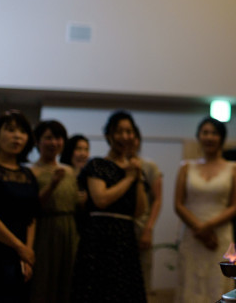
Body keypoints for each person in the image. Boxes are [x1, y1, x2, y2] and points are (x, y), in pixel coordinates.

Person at [71, 110, 148, 302]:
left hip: (125, 237)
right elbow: (101, 199)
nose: (124, 136)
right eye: (119, 131)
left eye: (129, 131)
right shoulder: (97, 164)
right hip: (99, 236)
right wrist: (129, 178)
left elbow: (139, 210)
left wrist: (137, 178)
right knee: (97, 290)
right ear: (109, 135)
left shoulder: (135, 168)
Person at [174, 117, 236, 302]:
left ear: (221, 138)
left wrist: (208, 227)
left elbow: (235, 206)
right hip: (192, 234)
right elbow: (178, 204)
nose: (209, 137)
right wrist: (200, 229)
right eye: (205, 132)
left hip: (219, 235)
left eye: (214, 133)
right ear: (198, 136)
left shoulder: (234, 168)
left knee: (217, 281)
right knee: (191, 282)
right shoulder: (186, 167)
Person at [0, 110, 38, 303]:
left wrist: (27, 254)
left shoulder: (28, 174)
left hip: (20, 254)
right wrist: (19, 246)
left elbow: (32, 216)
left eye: (23, 131)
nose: (17, 136)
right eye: (10, 130)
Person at [29, 120, 80, 303]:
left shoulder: (70, 171)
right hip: (44, 231)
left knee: (67, 282)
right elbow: (32, 207)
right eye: (48, 138)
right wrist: (52, 184)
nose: (54, 143)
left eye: (58, 138)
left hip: (69, 231)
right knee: (43, 280)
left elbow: (76, 204)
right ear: (37, 142)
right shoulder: (31, 172)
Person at [131, 128, 163, 295]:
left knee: (141, 279)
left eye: (133, 136)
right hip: (118, 227)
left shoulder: (149, 166)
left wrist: (148, 229)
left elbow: (157, 199)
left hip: (141, 227)